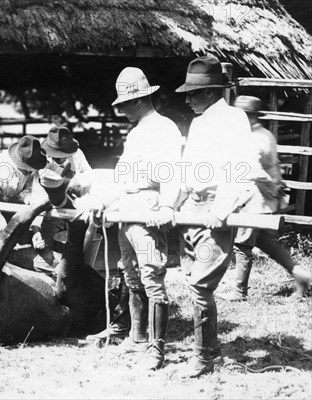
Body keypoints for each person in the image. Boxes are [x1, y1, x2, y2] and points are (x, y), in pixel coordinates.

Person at [166, 55, 265, 377]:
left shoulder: (233, 119)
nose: (188, 99)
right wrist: (173, 203)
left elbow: (241, 170)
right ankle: (213, 353)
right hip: (191, 209)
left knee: (200, 285)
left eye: (193, 94)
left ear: (209, 92)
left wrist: (221, 209)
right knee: (191, 278)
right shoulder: (199, 122)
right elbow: (186, 167)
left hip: (214, 208)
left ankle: (203, 357)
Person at [94, 67, 183, 370]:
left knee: (151, 276)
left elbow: (172, 172)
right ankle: (137, 336)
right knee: (129, 273)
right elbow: (123, 176)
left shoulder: (164, 128)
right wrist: (106, 200)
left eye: (124, 105)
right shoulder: (136, 133)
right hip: (127, 207)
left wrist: (168, 206)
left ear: (139, 101)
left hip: (148, 207)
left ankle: (157, 349)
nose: (122, 112)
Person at [221, 95, 311, 301]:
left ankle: (238, 291)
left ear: (247, 116)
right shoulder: (264, 134)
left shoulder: (253, 138)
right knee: (269, 244)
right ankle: (302, 274)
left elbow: (255, 171)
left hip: (255, 199)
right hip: (267, 200)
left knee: (243, 245)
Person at [31, 126, 92, 251]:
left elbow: (90, 178)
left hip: (77, 210)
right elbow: (37, 195)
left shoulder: (78, 155)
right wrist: (36, 230)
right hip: (52, 212)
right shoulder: (41, 163)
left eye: (63, 154)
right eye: (55, 155)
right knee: (47, 250)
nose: (59, 158)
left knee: (79, 251)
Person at [0, 135, 47, 236]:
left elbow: (29, 189)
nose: (30, 172)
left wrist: (27, 198)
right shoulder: (0, 168)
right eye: (28, 169)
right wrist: (5, 233)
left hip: (8, 205)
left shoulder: (31, 167)